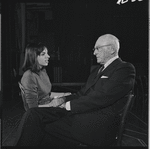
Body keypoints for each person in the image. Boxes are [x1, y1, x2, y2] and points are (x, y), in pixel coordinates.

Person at [14, 34, 136, 146]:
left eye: (98, 48)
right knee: (33, 115)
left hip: (96, 126)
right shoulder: (96, 71)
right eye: (94, 49)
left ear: (112, 49)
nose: (94, 53)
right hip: (82, 116)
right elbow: (82, 94)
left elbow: (101, 97)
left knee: (37, 124)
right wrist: (63, 99)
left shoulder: (124, 69)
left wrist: (67, 105)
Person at [20, 43, 70, 109]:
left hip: (48, 105)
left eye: (47, 53)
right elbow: (32, 108)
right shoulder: (29, 76)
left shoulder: (42, 71)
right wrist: (52, 105)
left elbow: (47, 94)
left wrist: (64, 94)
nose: (48, 56)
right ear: (34, 56)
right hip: (40, 113)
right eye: (43, 54)